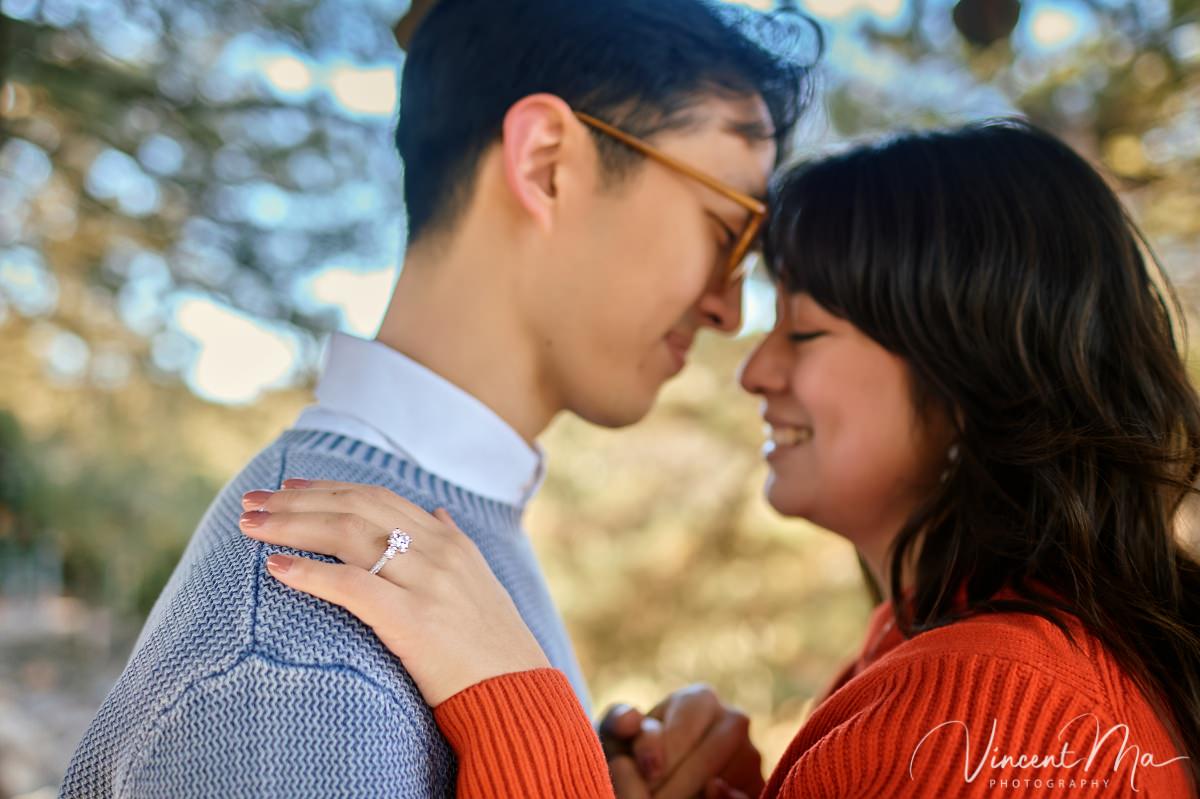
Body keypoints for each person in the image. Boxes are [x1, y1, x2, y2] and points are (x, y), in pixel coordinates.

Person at [240, 119, 1200, 798]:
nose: (755, 371)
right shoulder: (957, 659)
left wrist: (510, 697)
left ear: (971, 377)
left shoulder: (997, 711)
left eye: (806, 332)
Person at [59, 1, 822, 796]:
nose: (731, 310)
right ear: (547, 163)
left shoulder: (442, 544)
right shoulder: (305, 670)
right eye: (728, 229)